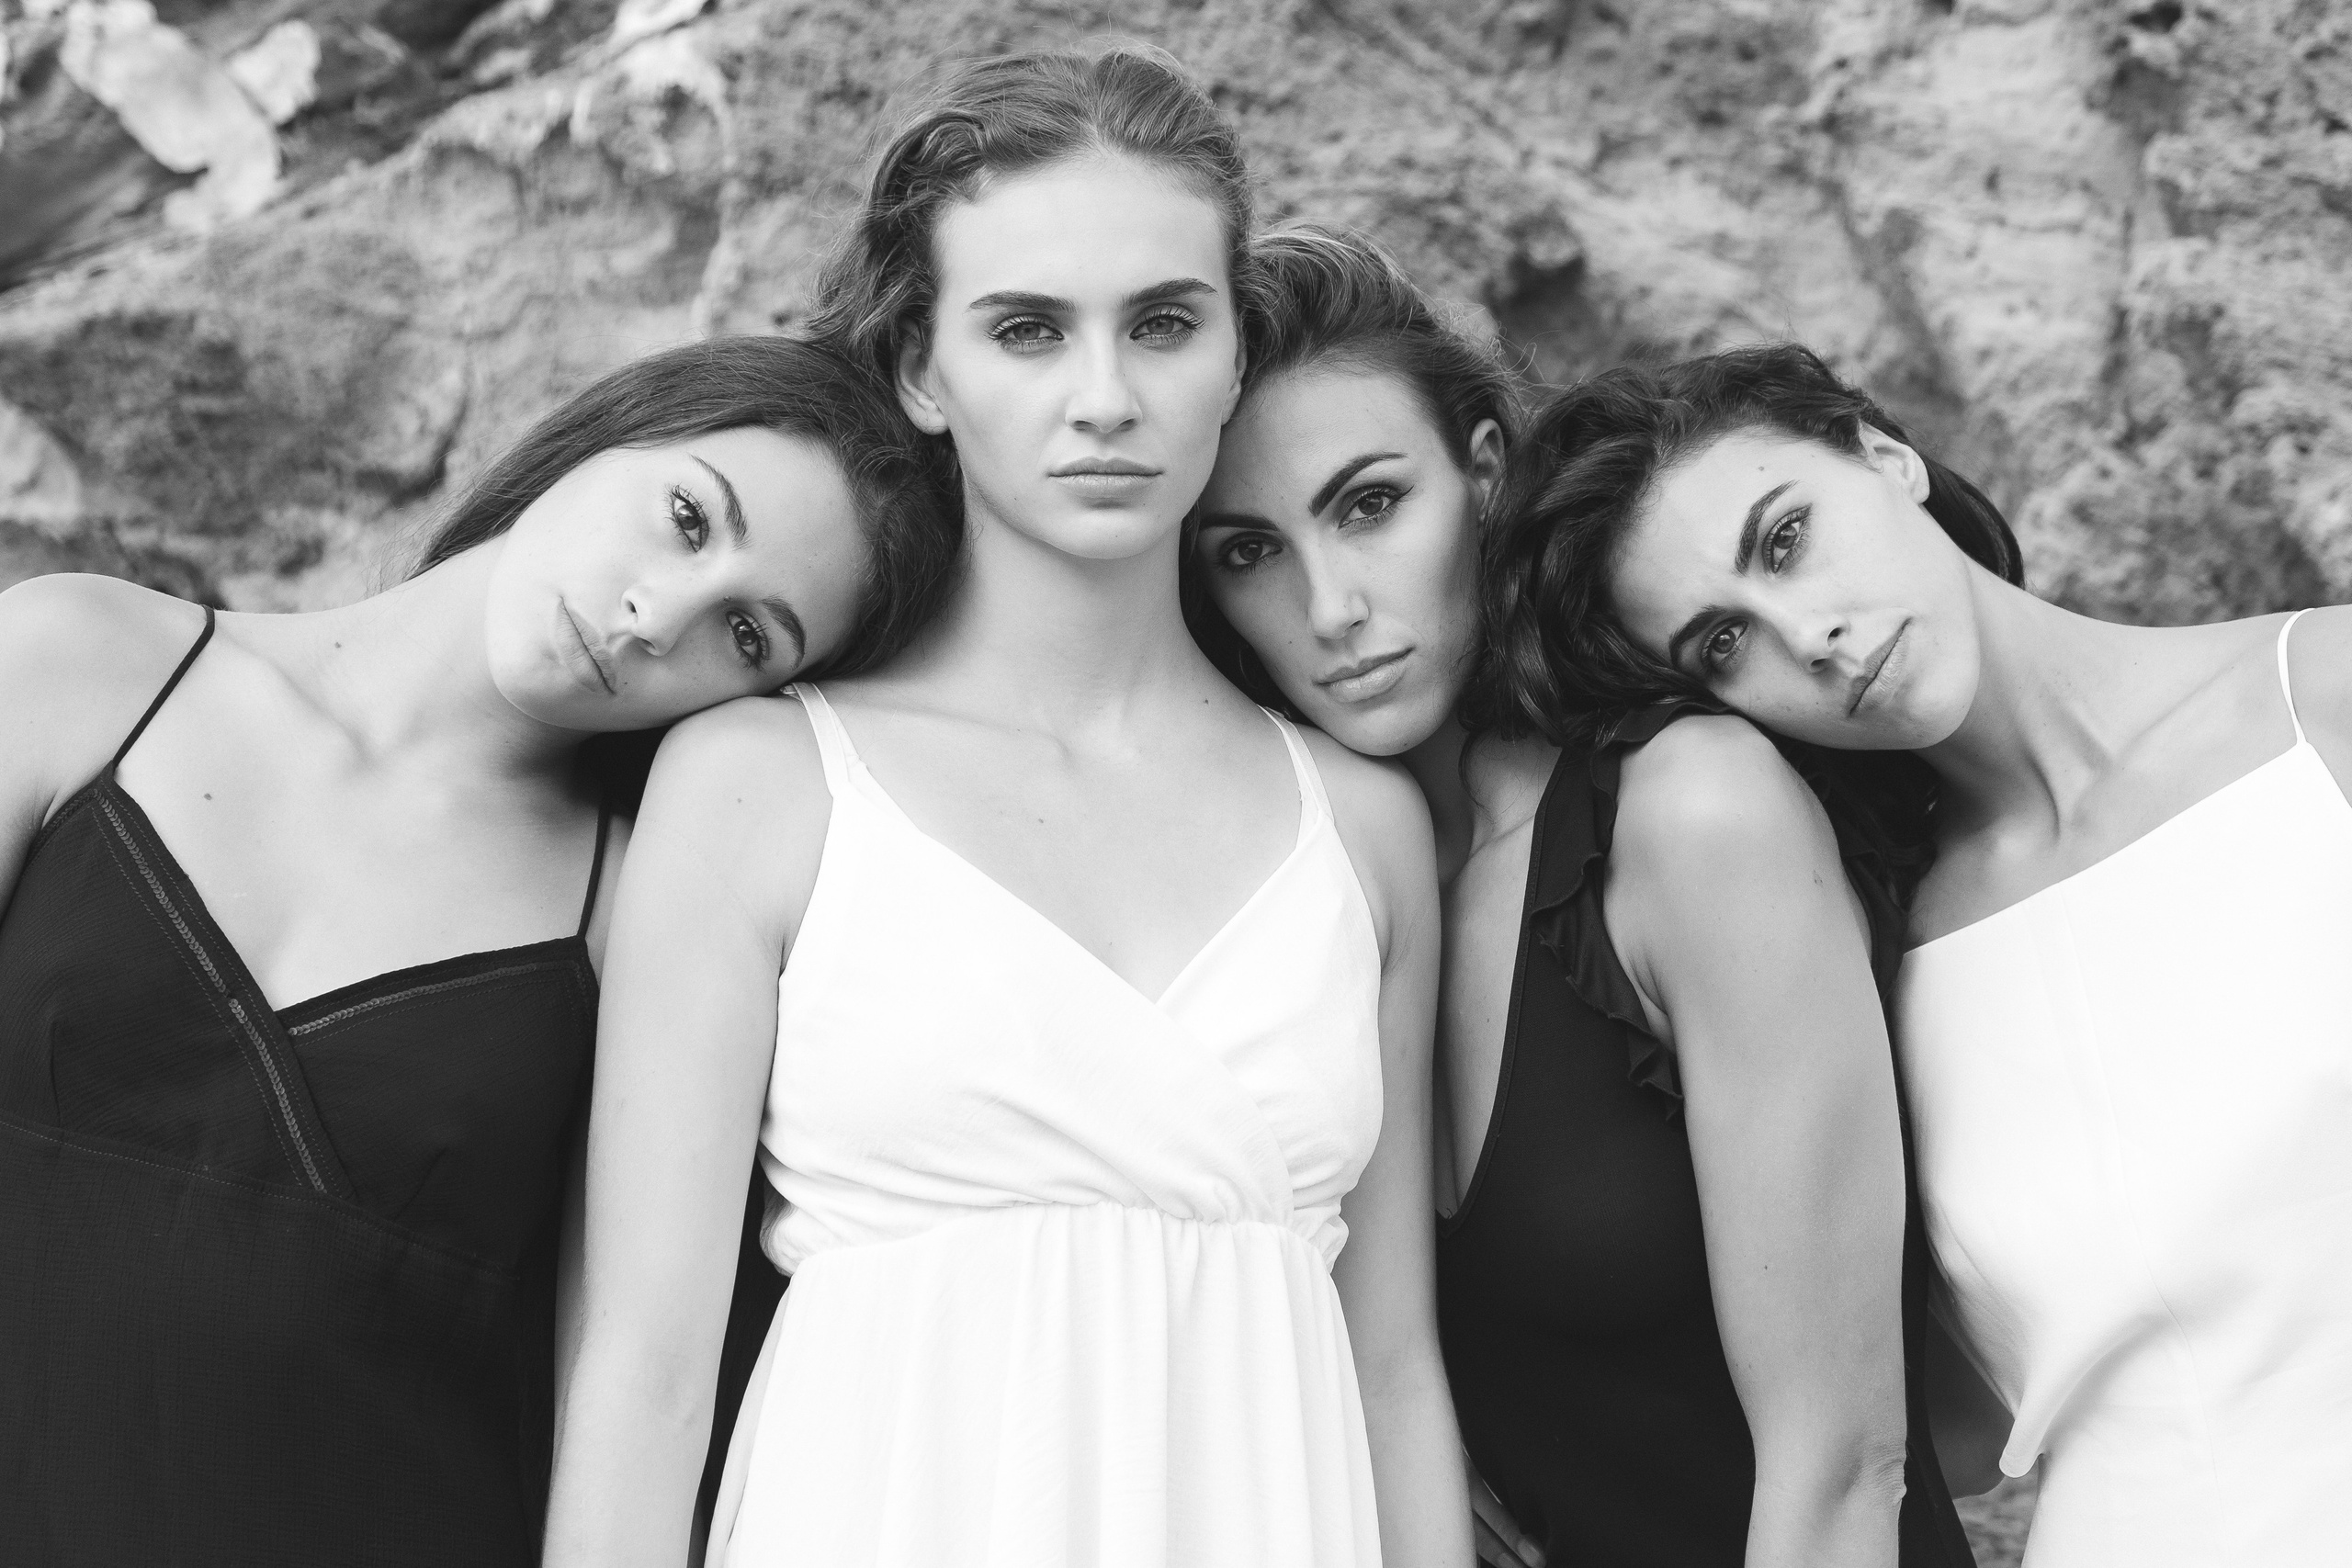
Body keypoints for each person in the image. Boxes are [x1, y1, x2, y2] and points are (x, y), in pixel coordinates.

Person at [544, 49, 1470, 1568]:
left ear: (1235, 357)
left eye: (1165, 324)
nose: (1105, 399)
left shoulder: (1362, 833)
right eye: (1028, 330)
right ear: (923, 367)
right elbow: (641, 1374)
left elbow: (1395, 1374)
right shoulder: (761, 786)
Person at [0, 333, 958, 1566]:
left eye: (749, 635)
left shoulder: (641, 929)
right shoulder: (73, 664)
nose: (656, 614)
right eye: (684, 517)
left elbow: (635, 1398)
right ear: (617, 425)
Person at [1189, 230, 1977, 1568]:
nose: (1331, 606)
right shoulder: (1307, 905)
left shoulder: (1691, 814)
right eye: (1248, 550)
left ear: (1482, 475)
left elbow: (1848, 1459)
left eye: (1370, 505)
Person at [1496, 339, 2352, 1567]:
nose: (1812, 637)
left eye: (1785, 540)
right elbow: (1927, 1429)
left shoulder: (2325, 702)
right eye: (1723, 646)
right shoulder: (1878, 972)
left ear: (1886, 456)